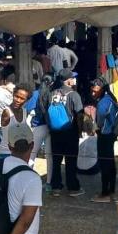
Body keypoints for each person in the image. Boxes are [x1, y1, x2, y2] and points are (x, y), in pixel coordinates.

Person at [48, 68, 85, 197]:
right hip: (70, 132)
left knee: (56, 160)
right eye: (73, 77)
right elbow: (80, 115)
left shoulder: (52, 93)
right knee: (71, 161)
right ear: (69, 80)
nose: (74, 79)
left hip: (55, 132)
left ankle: (56, 187)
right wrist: (80, 131)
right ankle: (73, 187)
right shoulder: (74, 95)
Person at [92, 77, 118, 203]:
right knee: (110, 162)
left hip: (105, 135)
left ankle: (105, 192)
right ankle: (111, 190)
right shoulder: (110, 98)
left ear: (101, 89)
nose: (93, 93)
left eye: (95, 90)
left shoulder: (103, 101)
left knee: (105, 164)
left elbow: (101, 115)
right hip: (111, 134)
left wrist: (98, 125)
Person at [0, 83, 33, 161]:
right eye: (16, 96)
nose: (18, 100)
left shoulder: (24, 111)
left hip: (19, 153)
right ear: (13, 94)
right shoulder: (7, 112)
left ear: (27, 100)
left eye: (22, 98)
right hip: (5, 154)